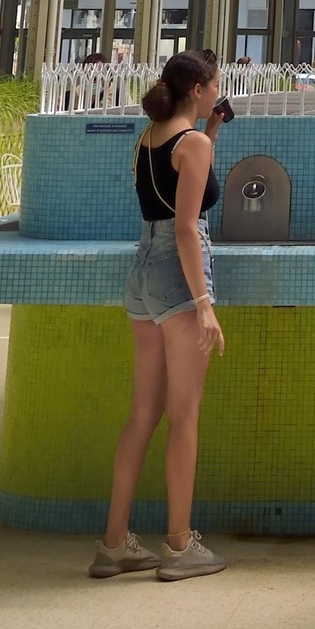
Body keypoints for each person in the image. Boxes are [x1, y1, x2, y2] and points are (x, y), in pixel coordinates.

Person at [90, 49, 228, 582]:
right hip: (177, 276)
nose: (217, 94)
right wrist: (204, 304)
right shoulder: (190, 144)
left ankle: (114, 543)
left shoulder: (149, 138)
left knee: (142, 415)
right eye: (214, 88)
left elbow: (173, 192)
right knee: (184, 415)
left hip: (142, 274)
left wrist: (212, 129)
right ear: (197, 88)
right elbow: (187, 227)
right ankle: (178, 544)